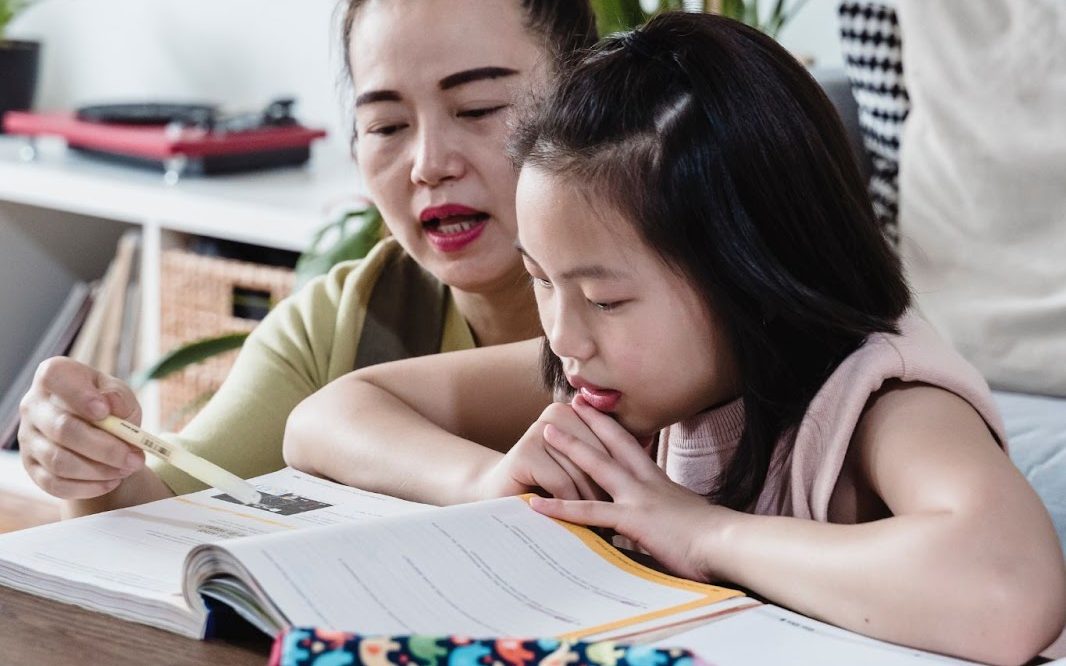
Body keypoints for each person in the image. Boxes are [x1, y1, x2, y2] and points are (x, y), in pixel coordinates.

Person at [283, 12, 1066, 664]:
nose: (563, 334)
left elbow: (1007, 592)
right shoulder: (611, 373)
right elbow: (328, 417)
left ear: (752, 274)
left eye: (605, 298)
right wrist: (484, 486)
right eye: (542, 280)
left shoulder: (881, 396)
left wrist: (705, 532)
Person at [16, 0, 598, 517]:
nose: (429, 163)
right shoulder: (339, 325)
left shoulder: (669, 313)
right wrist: (92, 460)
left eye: (477, 108)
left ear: (587, 106)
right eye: (387, 125)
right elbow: (165, 510)